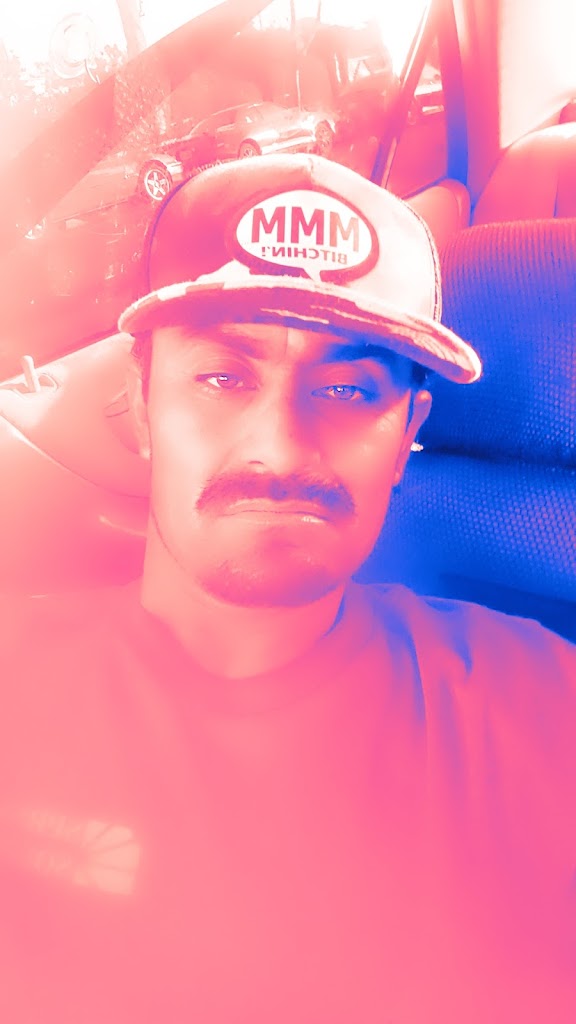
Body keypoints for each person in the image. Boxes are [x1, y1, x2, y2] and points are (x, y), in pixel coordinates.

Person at [0, 154, 574, 1024]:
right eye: (223, 378)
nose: (279, 446)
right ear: (141, 406)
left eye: (347, 389)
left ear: (408, 433)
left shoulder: (542, 705)